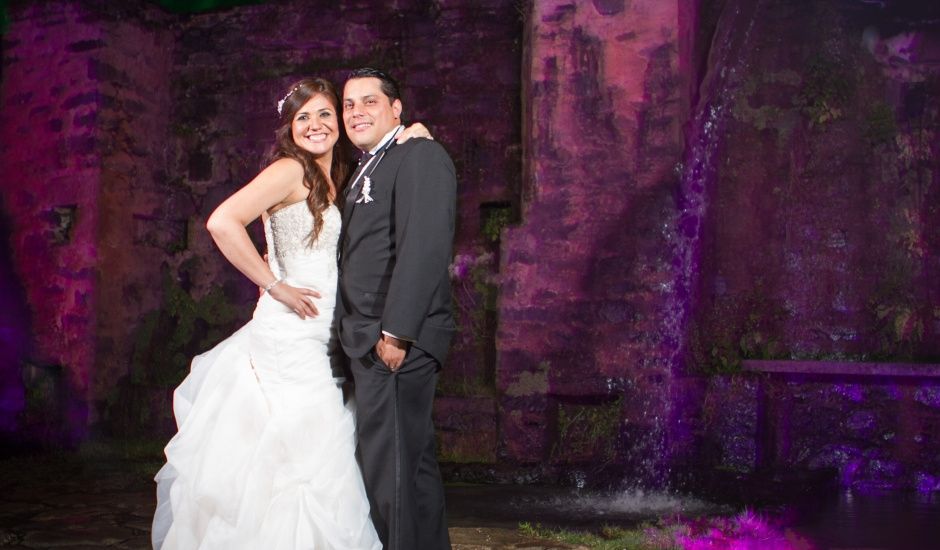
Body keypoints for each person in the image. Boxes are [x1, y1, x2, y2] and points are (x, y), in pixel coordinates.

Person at [151, 77, 429, 550]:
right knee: (304, 457)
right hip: (290, 333)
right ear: (290, 128)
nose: (315, 125)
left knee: (316, 450)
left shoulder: (335, 173)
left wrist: (413, 133)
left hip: (324, 333)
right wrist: (273, 284)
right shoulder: (289, 170)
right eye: (303, 117)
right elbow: (222, 221)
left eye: (325, 114)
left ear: (339, 122)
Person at [336, 68, 457, 550]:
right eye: (348, 104)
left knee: (398, 474)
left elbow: (424, 245)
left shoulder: (418, 155)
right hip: (367, 335)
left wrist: (397, 333)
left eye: (369, 101)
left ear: (396, 108)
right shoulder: (369, 164)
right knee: (397, 468)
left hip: (395, 339)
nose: (356, 112)